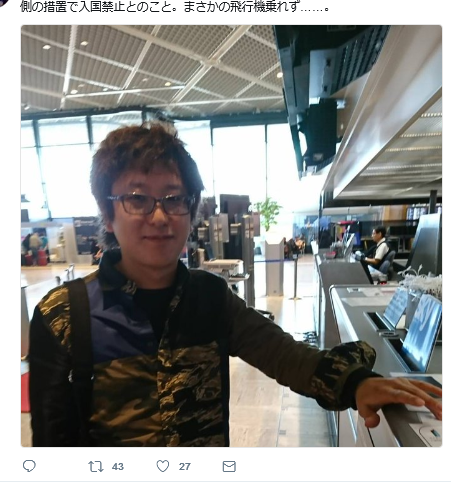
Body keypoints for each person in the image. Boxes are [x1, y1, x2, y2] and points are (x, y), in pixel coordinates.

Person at [29, 124, 442, 447]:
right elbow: (52, 440)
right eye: (137, 199)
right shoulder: (65, 315)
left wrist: (356, 383)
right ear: (107, 212)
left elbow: (285, 355)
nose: (159, 217)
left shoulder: (209, 298)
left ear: (191, 208)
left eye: (173, 198)